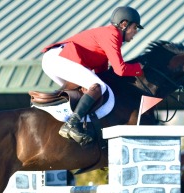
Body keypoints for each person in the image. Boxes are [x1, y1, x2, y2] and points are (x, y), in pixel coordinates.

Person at [41, 6, 143, 145]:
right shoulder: (112, 34)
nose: (135, 32)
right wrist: (140, 69)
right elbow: (120, 69)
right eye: (135, 27)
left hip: (54, 60)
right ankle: (71, 124)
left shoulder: (108, 37)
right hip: (59, 59)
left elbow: (101, 73)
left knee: (88, 90)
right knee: (97, 86)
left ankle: (72, 121)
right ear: (124, 24)